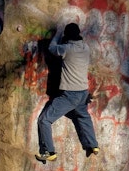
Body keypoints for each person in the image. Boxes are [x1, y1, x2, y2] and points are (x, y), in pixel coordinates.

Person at [35, 23, 99, 162]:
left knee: (44, 120)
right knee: (82, 116)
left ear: (67, 36)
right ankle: (93, 145)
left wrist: (57, 33)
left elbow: (52, 48)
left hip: (70, 95)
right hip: (83, 93)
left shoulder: (67, 49)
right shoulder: (86, 48)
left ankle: (48, 151)